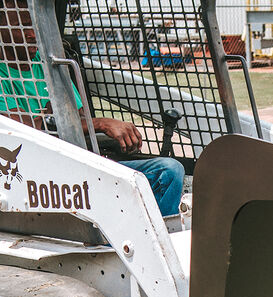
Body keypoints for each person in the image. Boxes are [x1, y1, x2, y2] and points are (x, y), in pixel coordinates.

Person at [0, 0, 184, 216]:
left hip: (79, 167)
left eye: (35, 25)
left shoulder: (48, 64)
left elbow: (73, 117)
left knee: (169, 171)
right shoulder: (4, 77)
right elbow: (27, 133)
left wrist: (111, 132)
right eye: (24, 26)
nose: (34, 34)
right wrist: (100, 123)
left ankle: (152, 241)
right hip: (42, 183)